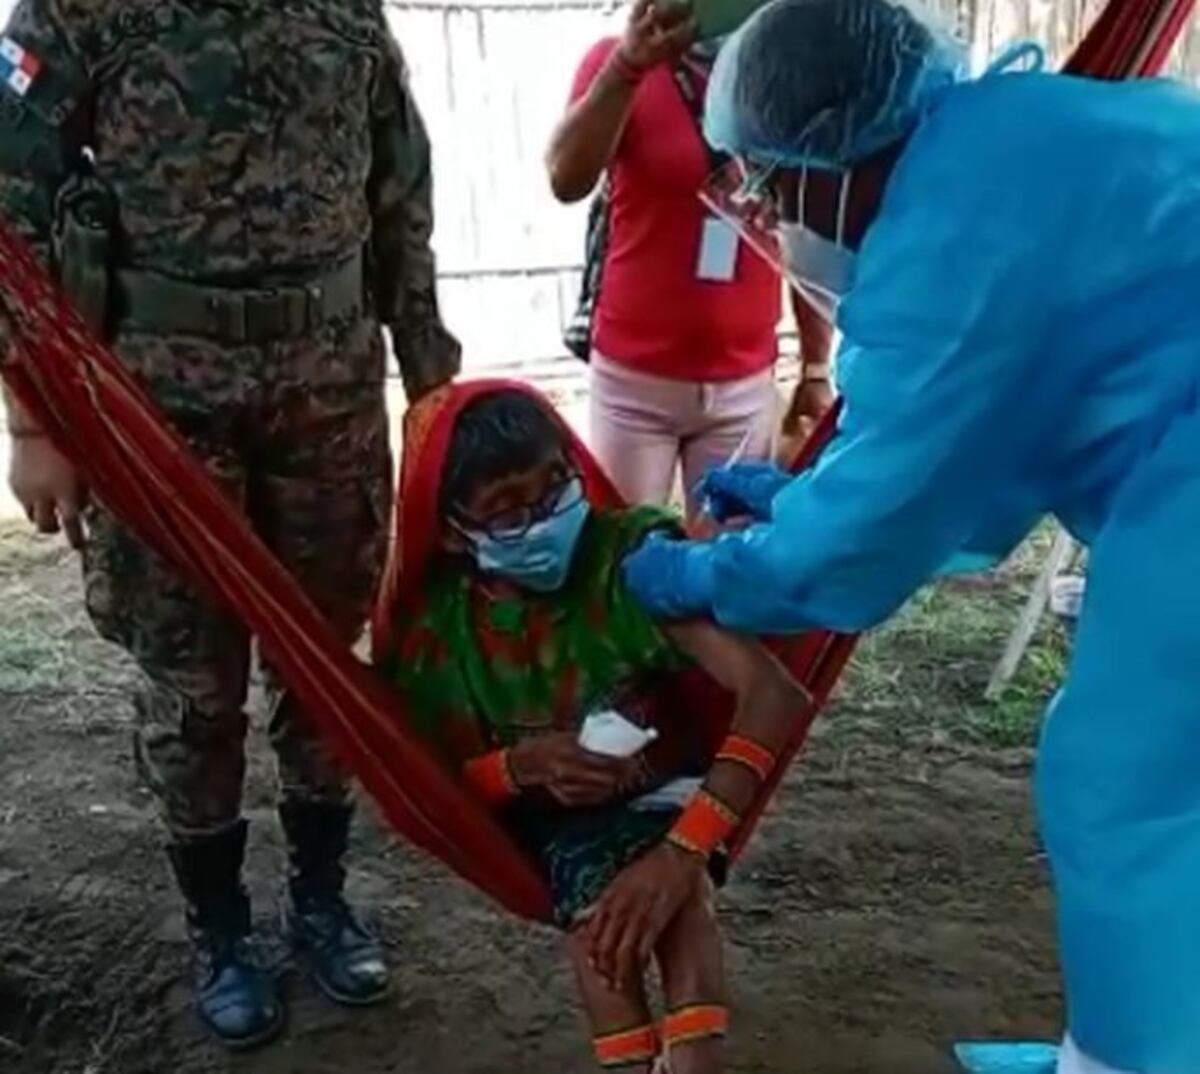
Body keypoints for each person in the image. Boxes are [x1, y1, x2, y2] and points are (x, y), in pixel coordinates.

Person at [591, 2, 1200, 1072]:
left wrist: (704, 569)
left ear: (830, 154)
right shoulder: (1009, 132)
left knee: (1129, 783)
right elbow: (980, 466)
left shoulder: (948, 246)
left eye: (774, 189)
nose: (775, 219)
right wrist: (800, 500)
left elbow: (863, 546)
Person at [0, 0, 460, 1050]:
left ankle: (321, 900)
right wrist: (32, 418)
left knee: (325, 659)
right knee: (191, 678)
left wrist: (428, 363)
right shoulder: (75, 12)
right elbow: (7, 209)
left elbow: (401, 184)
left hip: (329, 385)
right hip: (158, 400)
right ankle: (219, 930)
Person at [372, 380, 809, 1073]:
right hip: (549, 827)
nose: (546, 522)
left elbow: (774, 694)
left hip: (671, 796)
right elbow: (431, 790)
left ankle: (690, 1059)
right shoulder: (439, 637)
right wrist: (524, 766)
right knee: (603, 913)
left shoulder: (629, 562)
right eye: (508, 512)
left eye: (556, 489)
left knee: (672, 899)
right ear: (454, 531)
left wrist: (681, 853)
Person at [544, 0, 833, 514]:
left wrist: (814, 367)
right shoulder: (622, 63)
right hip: (635, 384)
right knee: (627, 545)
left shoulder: (784, 78)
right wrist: (627, 66)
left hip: (743, 383)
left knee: (730, 552)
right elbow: (566, 179)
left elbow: (803, 233)